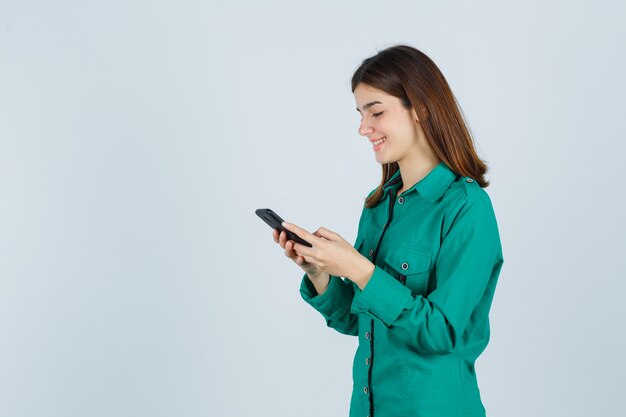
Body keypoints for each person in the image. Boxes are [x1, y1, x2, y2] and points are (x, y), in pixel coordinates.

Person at [272, 44, 504, 417]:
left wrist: (358, 269)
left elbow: (441, 332)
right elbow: (359, 321)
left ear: (421, 108)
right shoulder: (378, 205)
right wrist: (319, 272)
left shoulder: (467, 208)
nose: (364, 128)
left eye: (376, 112)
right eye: (361, 114)